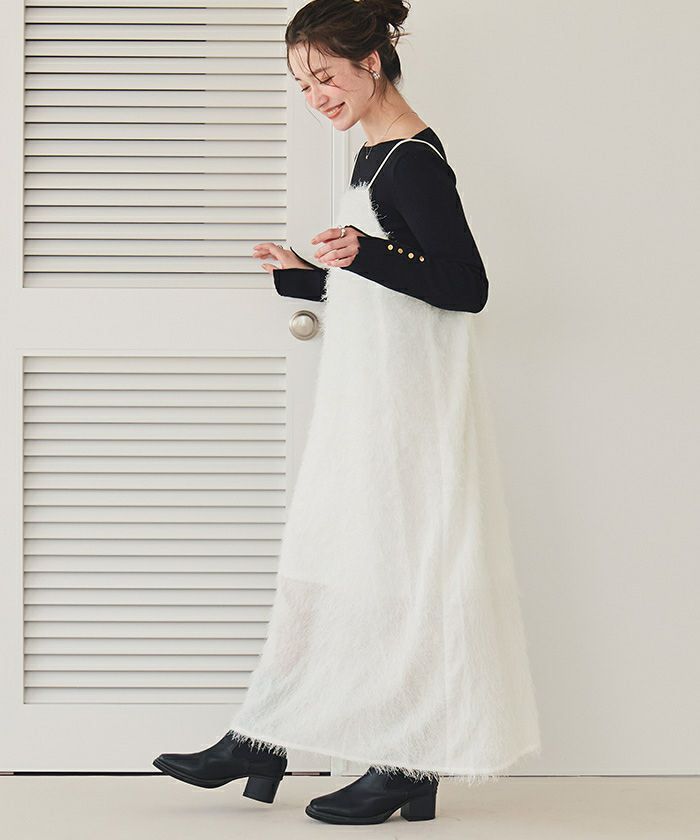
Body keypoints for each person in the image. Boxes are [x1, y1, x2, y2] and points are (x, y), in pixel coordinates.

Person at [153, 0, 541, 825]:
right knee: (329, 560)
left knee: (393, 576)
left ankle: (403, 758)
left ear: (372, 63)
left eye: (324, 77)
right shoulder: (373, 152)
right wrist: (304, 272)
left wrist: (364, 251)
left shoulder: (412, 161)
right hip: (369, 399)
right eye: (302, 85)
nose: (315, 97)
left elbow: (465, 288)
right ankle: (264, 736)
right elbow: (388, 291)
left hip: (408, 412)